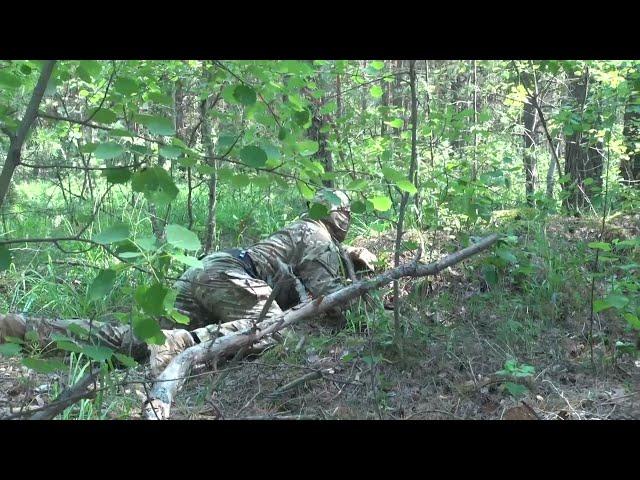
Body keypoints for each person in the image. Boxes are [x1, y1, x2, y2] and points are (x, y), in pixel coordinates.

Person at [0, 189, 376, 374]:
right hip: (231, 276)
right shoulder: (320, 237)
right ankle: (185, 341)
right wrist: (368, 301)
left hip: (206, 270)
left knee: (137, 342)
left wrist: (350, 257)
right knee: (279, 332)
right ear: (338, 216)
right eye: (347, 213)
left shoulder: (302, 229)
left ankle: (33, 329)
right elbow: (330, 298)